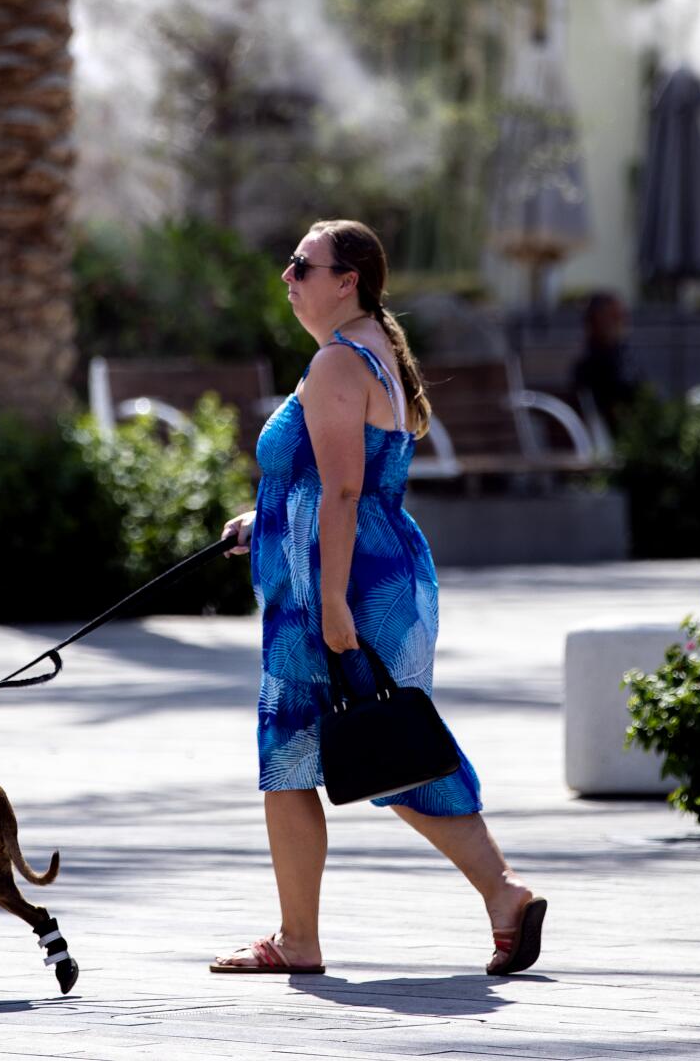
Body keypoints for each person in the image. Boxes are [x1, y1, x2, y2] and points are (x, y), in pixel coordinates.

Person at [210, 219, 545, 978]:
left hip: (342, 587)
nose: (287, 277)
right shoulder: (375, 353)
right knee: (392, 747)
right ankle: (503, 895)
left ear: (346, 280)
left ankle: (304, 940)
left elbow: (346, 488)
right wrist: (266, 517)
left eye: (302, 265)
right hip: (381, 571)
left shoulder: (335, 362)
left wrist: (331, 605)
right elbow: (342, 482)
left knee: (306, 752)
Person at [569, 290, 640, 438]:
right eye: (614, 316)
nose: (622, 321)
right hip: (614, 438)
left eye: (621, 315)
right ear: (595, 321)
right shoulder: (593, 363)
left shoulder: (623, 354)